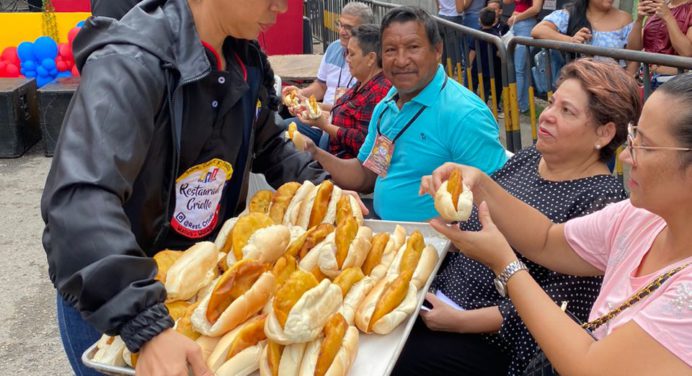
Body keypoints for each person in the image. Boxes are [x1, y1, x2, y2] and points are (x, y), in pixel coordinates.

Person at [41, 1, 328, 375]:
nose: (282, 6)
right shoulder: (131, 62)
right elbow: (79, 204)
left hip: (201, 283)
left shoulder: (245, 59)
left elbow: (270, 143)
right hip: (118, 299)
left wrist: (324, 189)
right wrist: (144, 324)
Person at [424, 73, 692, 374]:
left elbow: (589, 367)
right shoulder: (639, 217)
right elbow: (547, 240)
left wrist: (506, 264)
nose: (627, 155)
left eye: (645, 146)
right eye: (633, 137)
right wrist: (479, 183)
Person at [396, 59, 638, 376]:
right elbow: (480, 222)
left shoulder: (602, 201)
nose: (546, 116)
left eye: (567, 111)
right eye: (551, 102)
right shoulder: (529, 157)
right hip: (439, 292)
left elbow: (561, 305)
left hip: (490, 337)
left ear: (604, 133)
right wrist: (449, 210)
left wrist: (461, 322)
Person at [304, 6, 507, 221]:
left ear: (437, 50)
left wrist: (444, 235)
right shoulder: (386, 106)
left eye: (413, 47)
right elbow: (366, 174)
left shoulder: (466, 115)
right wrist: (314, 152)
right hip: (385, 230)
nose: (401, 60)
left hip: (441, 246)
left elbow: (496, 203)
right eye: (390, 50)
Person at [280, 2, 374, 147]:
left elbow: (353, 114)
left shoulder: (370, 63)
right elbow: (321, 85)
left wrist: (314, 108)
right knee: (281, 128)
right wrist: (301, 94)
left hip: (341, 124)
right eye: (340, 25)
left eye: (349, 28)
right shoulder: (333, 48)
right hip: (320, 119)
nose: (342, 31)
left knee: (324, 141)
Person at [296, 24, 391, 159]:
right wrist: (309, 105)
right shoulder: (362, 82)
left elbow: (363, 141)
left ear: (371, 58)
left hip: (346, 166)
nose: (347, 59)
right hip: (330, 149)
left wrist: (324, 125)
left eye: (352, 54)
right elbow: (341, 111)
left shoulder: (380, 91)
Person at [531, 0, 634, 85]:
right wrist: (570, 40)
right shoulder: (571, 14)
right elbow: (538, 30)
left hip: (611, 89)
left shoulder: (625, 19)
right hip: (577, 86)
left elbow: (634, 54)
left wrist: (627, 84)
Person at [627, 0, 691, 86]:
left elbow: (687, 53)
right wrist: (639, 19)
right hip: (645, 78)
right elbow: (632, 50)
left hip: (673, 84)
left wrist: (668, 17)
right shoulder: (660, 7)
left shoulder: (689, 10)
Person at [504, 0, 544, 113]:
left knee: (519, 69)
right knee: (522, 69)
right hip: (518, 24)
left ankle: (516, 105)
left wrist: (517, 17)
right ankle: (522, 104)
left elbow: (536, 9)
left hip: (525, 25)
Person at [470, 7, 505, 106]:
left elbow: (472, 51)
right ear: (494, 21)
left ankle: (471, 104)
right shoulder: (496, 37)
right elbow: (499, 53)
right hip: (490, 68)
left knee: (472, 87)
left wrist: (469, 65)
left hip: (476, 67)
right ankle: (481, 106)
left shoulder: (477, 33)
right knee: (485, 90)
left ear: (479, 20)